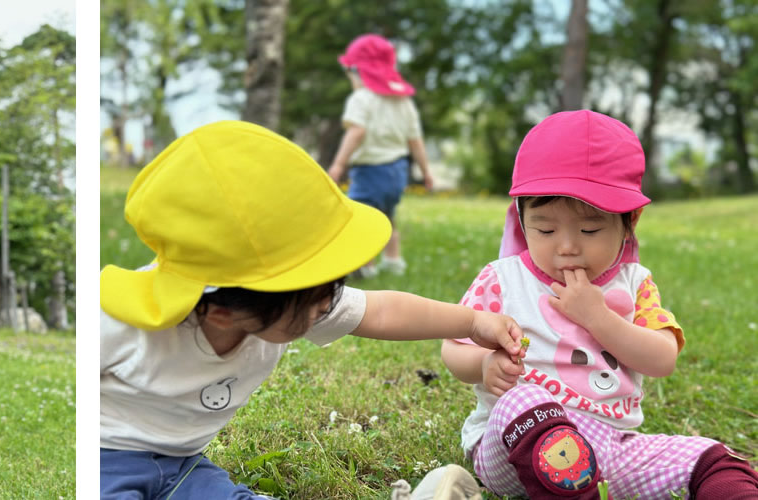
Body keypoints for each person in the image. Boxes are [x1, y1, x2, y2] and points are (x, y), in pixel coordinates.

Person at [100, 120, 523, 498]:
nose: (328, 304)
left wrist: (472, 321)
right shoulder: (121, 322)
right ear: (223, 313)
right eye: (315, 298)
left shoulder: (287, 302)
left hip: (185, 468)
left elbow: (381, 311)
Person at [440, 110, 758, 499]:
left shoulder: (635, 284)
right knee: (526, 398)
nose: (567, 246)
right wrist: (483, 364)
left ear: (629, 224)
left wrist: (598, 318)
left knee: (713, 458)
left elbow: (662, 359)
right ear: (521, 219)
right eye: (545, 229)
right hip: (513, 443)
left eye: (590, 229)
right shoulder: (503, 279)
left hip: (610, 448)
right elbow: (454, 347)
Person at [326, 33, 434, 278]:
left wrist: (339, 164)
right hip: (397, 171)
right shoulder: (403, 101)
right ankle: (394, 262)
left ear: (358, 71)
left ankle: (365, 266)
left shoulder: (361, 99)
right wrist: (426, 171)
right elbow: (415, 141)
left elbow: (357, 131)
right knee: (387, 216)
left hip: (369, 170)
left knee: (362, 218)